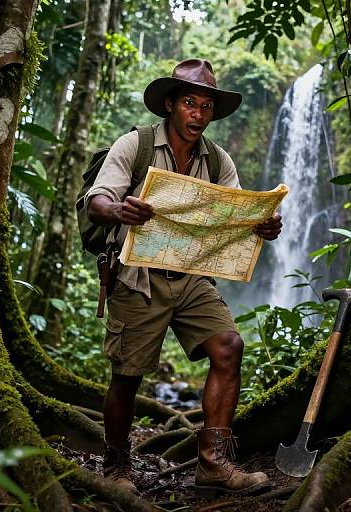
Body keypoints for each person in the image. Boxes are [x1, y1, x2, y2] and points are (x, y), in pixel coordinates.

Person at [86, 59, 283, 497]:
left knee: (229, 346)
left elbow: (235, 214)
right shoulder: (133, 146)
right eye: (190, 103)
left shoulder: (217, 159)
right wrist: (121, 209)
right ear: (171, 105)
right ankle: (116, 465)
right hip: (138, 274)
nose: (198, 113)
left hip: (192, 276)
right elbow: (98, 199)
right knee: (128, 375)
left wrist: (261, 225)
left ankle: (213, 463)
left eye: (207, 106)